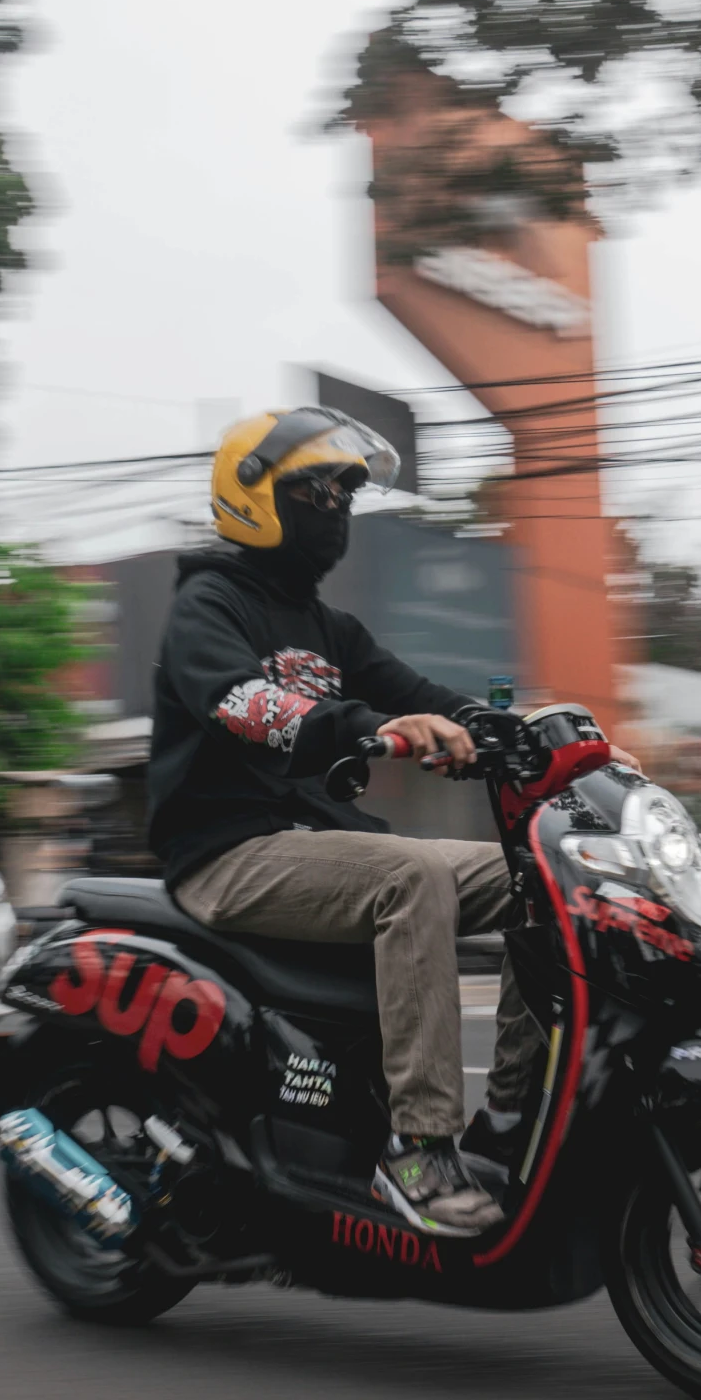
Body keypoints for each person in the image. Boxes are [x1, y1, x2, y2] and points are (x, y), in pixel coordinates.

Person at [146, 407, 541, 1237]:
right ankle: (418, 1149)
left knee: (538, 872)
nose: (338, 505)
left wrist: (541, 737)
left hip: (317, 847)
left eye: (347, 490)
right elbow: (246, 706)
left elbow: (427, 695)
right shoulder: (207, 604)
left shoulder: (330, 628)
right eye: (320, 488)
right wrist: (366, 727)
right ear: (256, 495)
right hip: (226, 852)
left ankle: (512, 1117)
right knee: (413, 874)